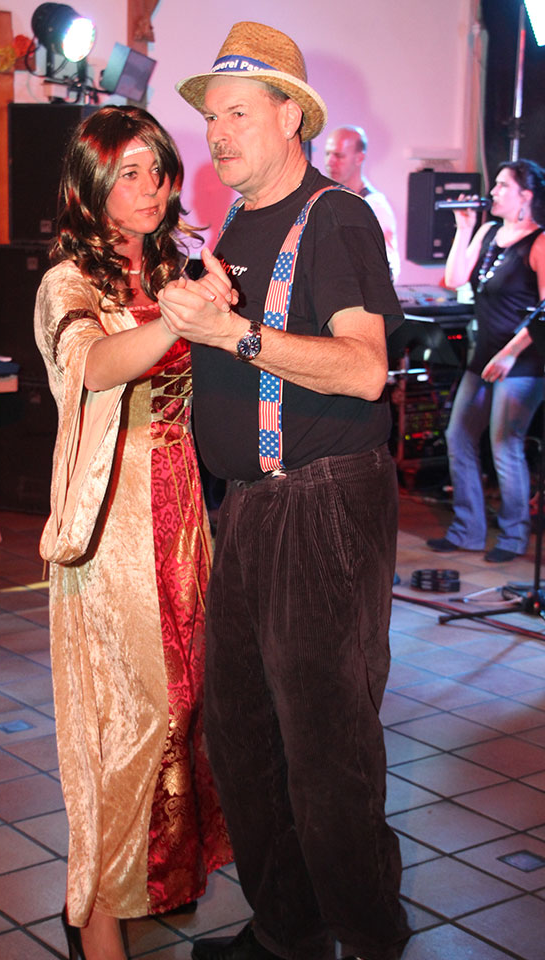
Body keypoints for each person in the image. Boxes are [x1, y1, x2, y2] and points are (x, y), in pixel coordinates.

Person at [157, 21, 411, 960]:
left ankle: (369, 937)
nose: (217, 134)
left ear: (289, 117)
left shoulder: (334, 217)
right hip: (252, 506)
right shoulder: (236, 223)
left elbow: (365, 368)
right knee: (242, 736)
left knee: (326, 748)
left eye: (237, 113)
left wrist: (233, 335)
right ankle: (288, 932)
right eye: (210, 117)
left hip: (322, 502)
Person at [33, 104, 231, 960]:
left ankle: (148, 877)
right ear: (92, 187)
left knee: (188, 709)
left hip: (184, 514)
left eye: (158, 169)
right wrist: (177, 322)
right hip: (112, 520)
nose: (151, 189)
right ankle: (95, 912)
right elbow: (92, 364)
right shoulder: (69, 282)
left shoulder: (175, 265)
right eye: (129, 175)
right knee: (125, 726)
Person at [427, 159, 545, 563]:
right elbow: (454, 279)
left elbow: (544, 312)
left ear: (525, 195)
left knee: (505, 445)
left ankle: (513, 537)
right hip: (483, 357)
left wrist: (511, 354)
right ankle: (469, 530)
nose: (492, 192)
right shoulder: (488, 232)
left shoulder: (539, 242)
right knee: (458, 436)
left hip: (522, 362)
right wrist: (463, 229)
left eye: (502, 185)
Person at [325, 125, 400, 282]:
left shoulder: (375, 207)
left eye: (339, 155)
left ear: (359, 158)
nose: (330, 162)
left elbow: (389, 271)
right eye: (328, 154)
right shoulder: (327, 201)